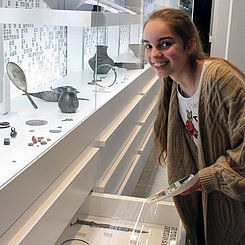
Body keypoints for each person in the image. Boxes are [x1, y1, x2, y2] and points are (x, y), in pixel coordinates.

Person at [143, 8, 245, 245]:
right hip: (211, 200)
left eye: (165, 44)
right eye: (148, 45)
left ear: (189, 45)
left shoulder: (220, 78)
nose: (154, 54)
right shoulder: (173, 86)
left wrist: (209, 177)